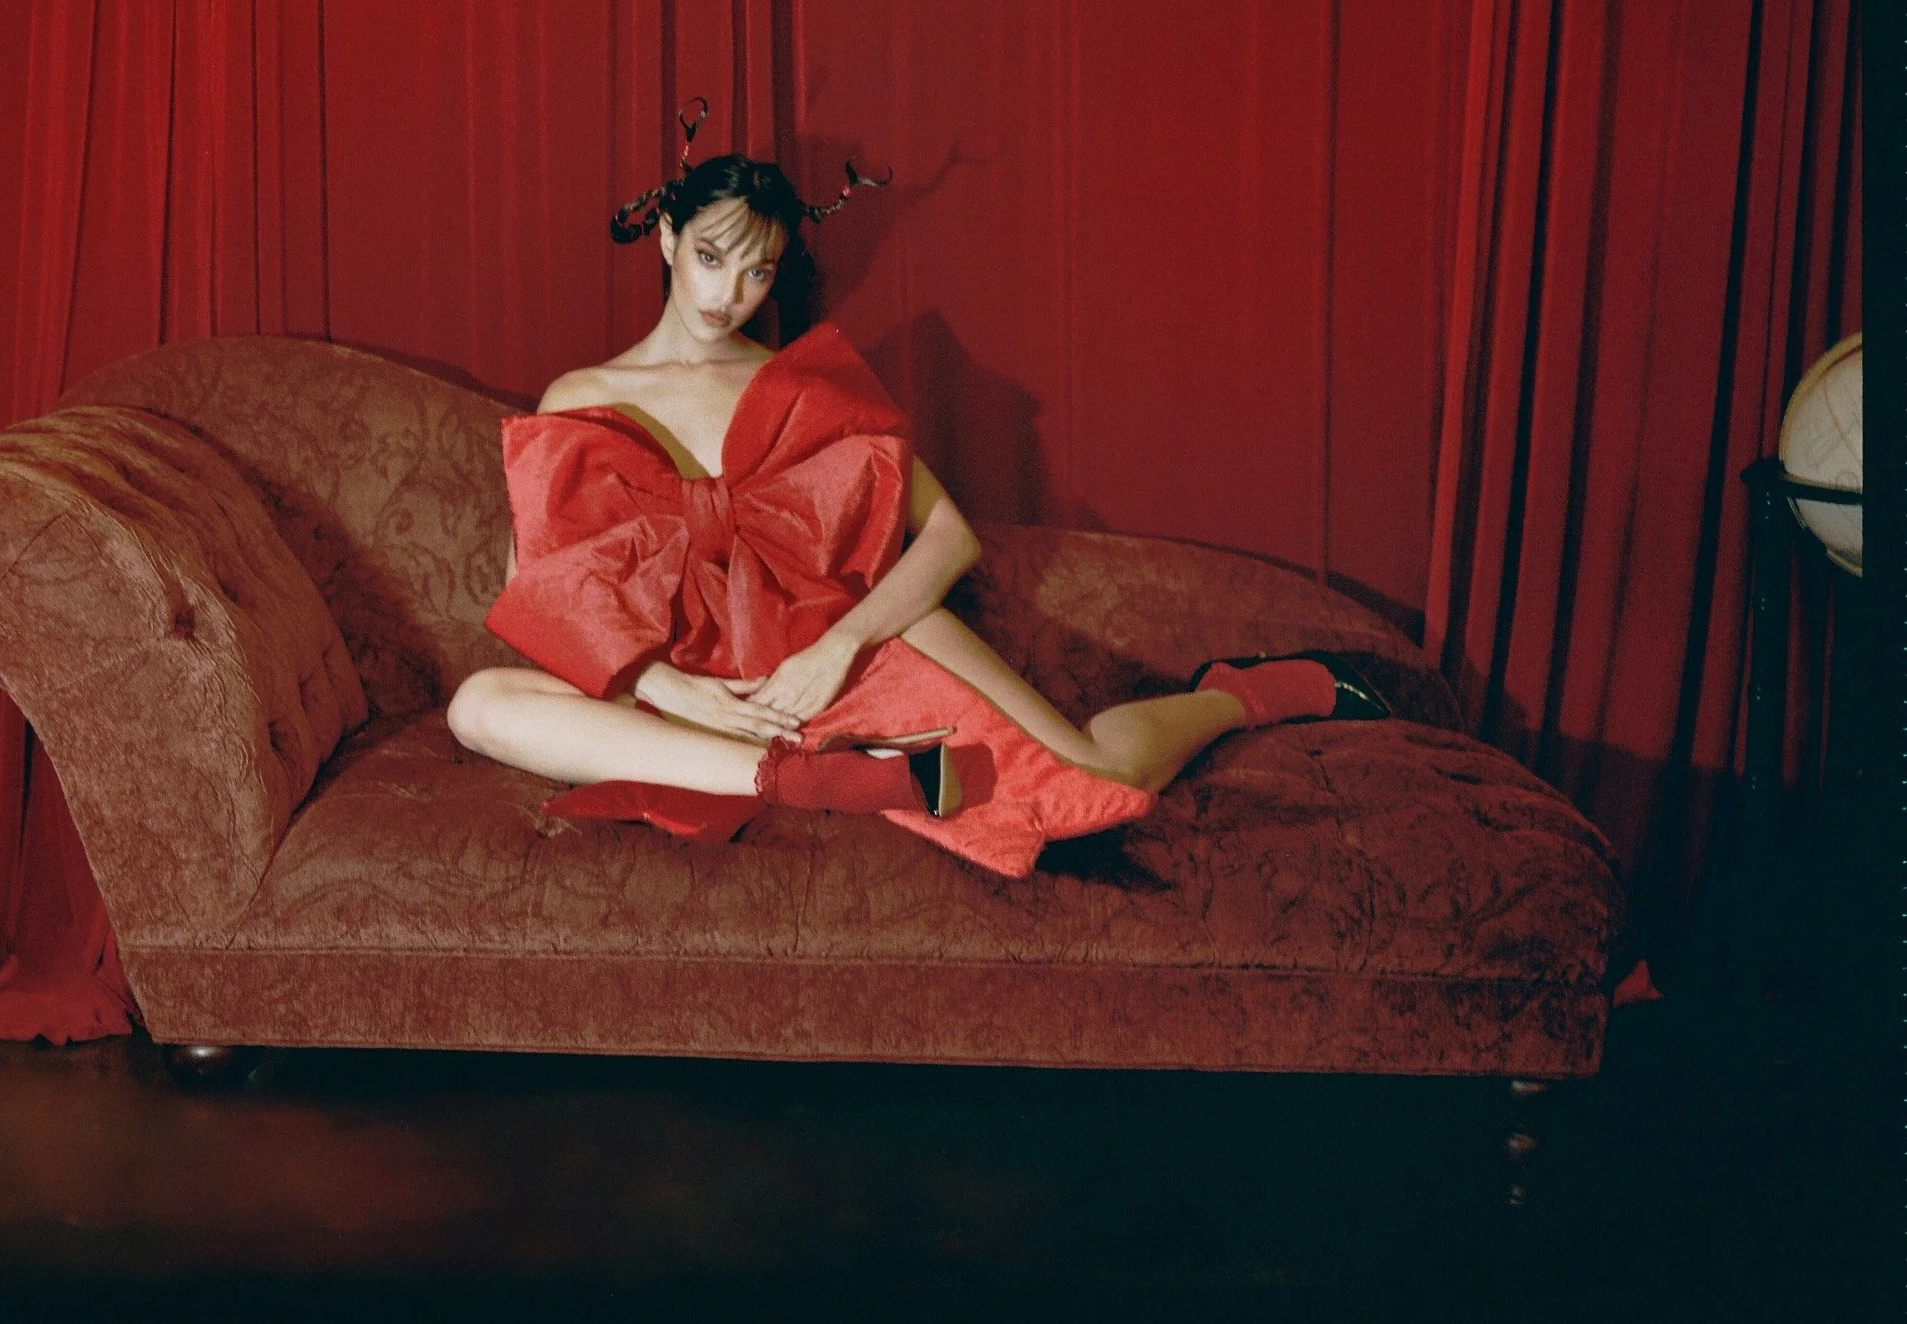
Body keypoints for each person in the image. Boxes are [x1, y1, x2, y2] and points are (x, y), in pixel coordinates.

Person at [448, 124, 1383, 876]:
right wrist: (669, 687)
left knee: (1093, 778)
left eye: (758, 271)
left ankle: (1237, 694)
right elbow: (539, 590)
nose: (728, 293)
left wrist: (837, 650)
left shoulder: (806, 385)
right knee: (480, 703)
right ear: (666, 240)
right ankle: (804, 779)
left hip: (836, 647)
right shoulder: (582, 398)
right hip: (698, 696)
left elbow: (948, 537)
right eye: (710, 257)